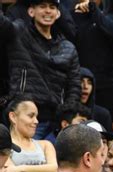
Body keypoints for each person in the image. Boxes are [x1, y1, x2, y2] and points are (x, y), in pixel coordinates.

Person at [0, 0, 81, 139]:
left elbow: (74, 86)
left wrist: (65, 114)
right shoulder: (19, 34)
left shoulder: (68, 48)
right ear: (31, 11)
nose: (47, 11)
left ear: (58, 13)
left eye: (52, 7)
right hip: (23, 116)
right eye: (42, 6)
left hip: (55, 122)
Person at [1, 96, 58, 172]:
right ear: (13, 117)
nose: (36, 121)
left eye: (36, 116)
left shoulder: (46, 145)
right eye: (31, 116)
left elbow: (55, 170)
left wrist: (20, 168)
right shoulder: (4, 145)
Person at [79, 67, 113, 132]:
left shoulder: (103, 114)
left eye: (89, 83)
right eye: (81, 81)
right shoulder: (64, 112)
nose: (85, 86)